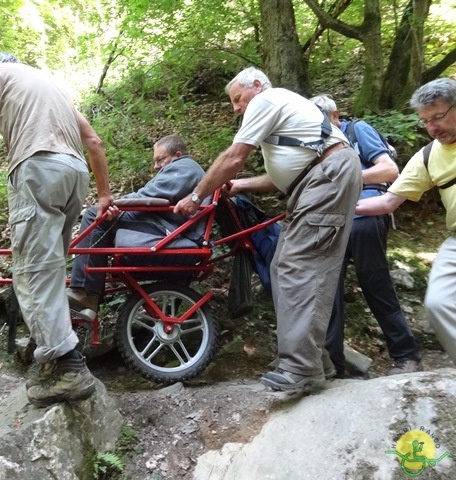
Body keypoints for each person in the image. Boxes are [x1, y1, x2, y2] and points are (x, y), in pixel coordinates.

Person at [0, 52, 114, 407]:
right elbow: (94, 142)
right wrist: (103, 194)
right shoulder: (52, 88)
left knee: (31, 272)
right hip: (74, 174)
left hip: (38, 168)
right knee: (50, 270)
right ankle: (58, 359)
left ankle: (67, 366)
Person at [175, 67, 362, 391]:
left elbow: (234, 156)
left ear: (257, 85)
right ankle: (314, 360)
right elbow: (280, 178)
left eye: (237, 98)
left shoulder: (267, 101)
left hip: (326, 178)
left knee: (300, 266)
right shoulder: (282, 112)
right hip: (318, 179)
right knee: (281, 265)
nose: (235, 108)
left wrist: (196, 195)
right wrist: (239, 185)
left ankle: (302, 368)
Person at [311, 94, 422, 377]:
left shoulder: (355, 130)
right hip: (329, 222)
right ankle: (334, 365)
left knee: (376, 285)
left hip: (365, 215)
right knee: (326, 294)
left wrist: (347, 178)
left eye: (322, 121)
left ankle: (406, 356)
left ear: (335, 116)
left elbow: (389, 169)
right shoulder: (315, 144)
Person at [356, 77, 456, 367]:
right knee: (439, 304)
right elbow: (389, 201)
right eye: (425, 121)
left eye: (438, 117)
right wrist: (336, 208)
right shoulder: (427, 156)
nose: (432, 127)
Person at [67, 135, 207, 320]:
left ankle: (86, 292)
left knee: (95, 214)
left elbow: (152, 194)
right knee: (102, 215)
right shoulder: (184, 170)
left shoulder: (184, 167)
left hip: (175, 231)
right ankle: (88, 291)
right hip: (171, 226)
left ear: (177, 155)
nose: (156, 166)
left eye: (160, 159)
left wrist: (115, 204)